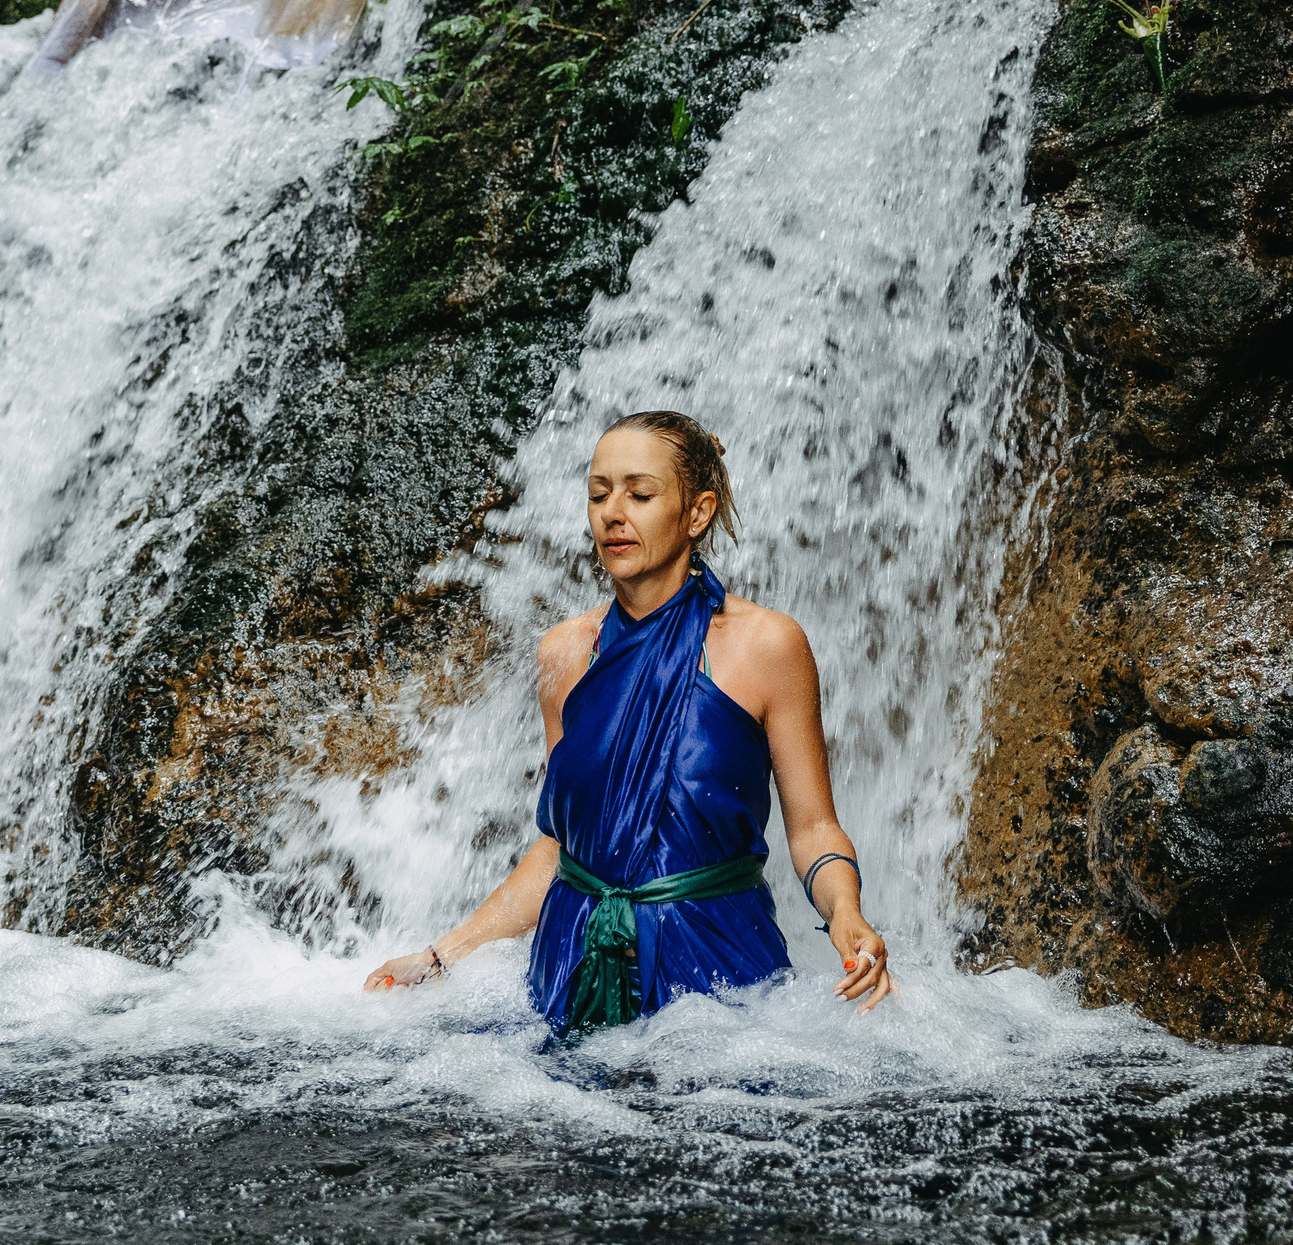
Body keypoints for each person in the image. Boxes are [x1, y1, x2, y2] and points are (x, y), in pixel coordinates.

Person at [364, 410, 895, 1027]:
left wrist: (847, 914)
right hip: (571, 963)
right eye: (598, 493)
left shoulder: (768, 646)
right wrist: (440, 957)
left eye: (640, 494)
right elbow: (565, 846)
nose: (613, 512)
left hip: (718, 978)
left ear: (696, 513)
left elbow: (812, 830)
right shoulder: (564, 654)